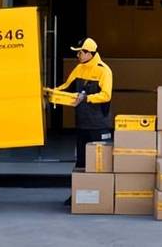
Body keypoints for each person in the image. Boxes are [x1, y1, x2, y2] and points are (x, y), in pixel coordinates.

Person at [54, 38, 113, 205]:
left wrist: (86, 98)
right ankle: (78, 195)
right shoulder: (79, 68)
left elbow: (106, 95)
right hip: (82, 124)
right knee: (81, 162)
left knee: (100, 164)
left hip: (99, 125)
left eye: (80, 52)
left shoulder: (104, 71)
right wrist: (52, 92)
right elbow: (66, 86)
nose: (78, 55)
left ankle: (102, 197)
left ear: (89, 53)